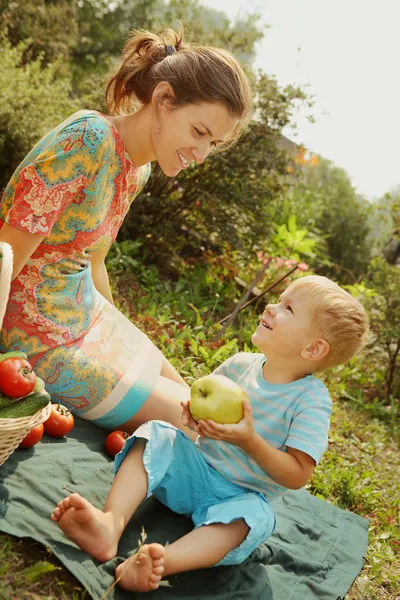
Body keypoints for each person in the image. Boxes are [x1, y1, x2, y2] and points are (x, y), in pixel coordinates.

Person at [0, 28, 252, 437]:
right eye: (199, 133)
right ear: (164, 99)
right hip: (33, 336)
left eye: (214, 143)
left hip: (81, 310)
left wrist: (114, 335)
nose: (202, 155)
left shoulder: (138, 169)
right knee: (189, 420)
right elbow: (5, 258)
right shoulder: (87, 139)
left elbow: (94, 262)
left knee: (193, 397)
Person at [51, 275, 369, 593]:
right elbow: (195, 409)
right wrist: (191, 416)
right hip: (194, 472)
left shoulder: (310, 401)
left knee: (255, 518)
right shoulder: (239, 365)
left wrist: (249, 440)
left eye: (287, 307)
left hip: (239, 497)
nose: (271, 307)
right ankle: (110, 524)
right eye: (278, 299)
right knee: (157, 434)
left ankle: (159, 561)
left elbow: (298, 474)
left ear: (313, 348)